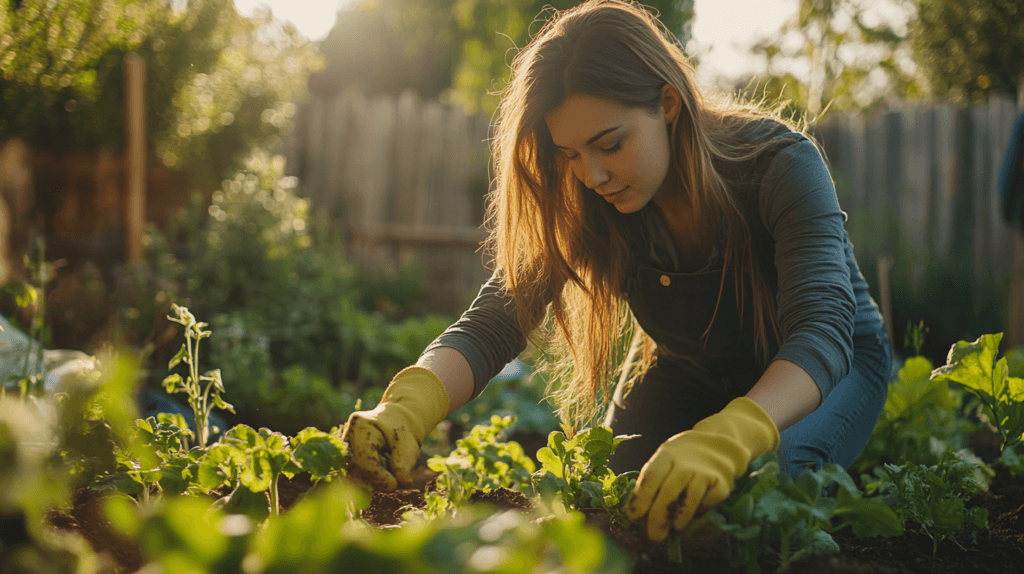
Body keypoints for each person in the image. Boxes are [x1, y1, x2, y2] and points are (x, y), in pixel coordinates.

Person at [341, 0, 891, 546]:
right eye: (571, 154)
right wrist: (410, 404)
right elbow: (495, 320)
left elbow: (821, 333)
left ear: (668, 104)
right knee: (612, 500)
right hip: (693, 369)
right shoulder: (592, 200)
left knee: (758, 496)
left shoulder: (780, 165)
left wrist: (730, 436)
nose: (593, 175)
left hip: (827, 371)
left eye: (610, 144)